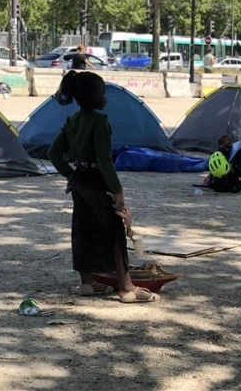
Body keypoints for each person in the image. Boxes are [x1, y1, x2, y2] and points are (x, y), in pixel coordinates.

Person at [48, 70, 159, 303]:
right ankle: (127, 288)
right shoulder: (100, 122)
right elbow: (104, 160)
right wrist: (117, 192)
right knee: (115, 233)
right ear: (92, 96)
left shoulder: (72, 121)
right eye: (102, 92)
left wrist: (70, 175)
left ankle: (87, 283)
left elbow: (54, 153)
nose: (105, 97)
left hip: (80, 180)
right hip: (99, 182)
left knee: (82, 230)